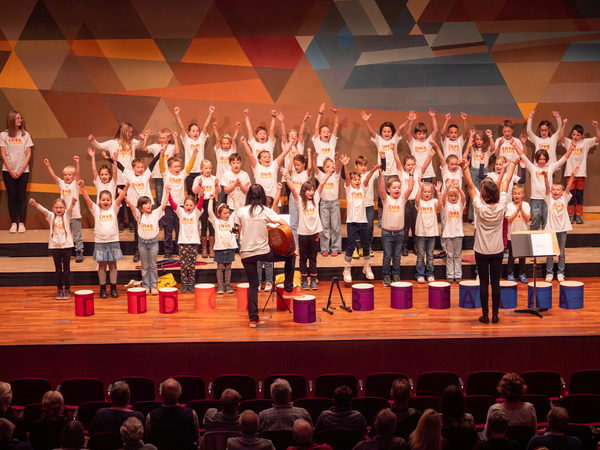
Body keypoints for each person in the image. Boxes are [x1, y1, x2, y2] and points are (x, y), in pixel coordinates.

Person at [460, 155, 519, 324]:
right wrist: (513, 165)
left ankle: (485, 315)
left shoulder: (479, 207)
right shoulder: (501, 206)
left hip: (481, 251)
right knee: (496, 283)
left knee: (484, 284)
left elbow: (470, 185)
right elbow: (506, 182)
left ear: (484, 195)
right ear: (496, 195)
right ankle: (495, 315)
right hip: (497, 251)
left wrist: (465, 168)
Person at [235, 186, 304, 327]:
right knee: (291, 256)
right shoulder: (265, 210)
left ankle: (253, 319)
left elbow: (240, 232)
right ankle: (288, 289)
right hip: (263, 251)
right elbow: (284, 224)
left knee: (253, 285)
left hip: (246, 254)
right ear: (262, 196)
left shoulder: (241, 211)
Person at [104, 149, 163, 263]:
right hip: (135, 206)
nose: (141, 169)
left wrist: (160, 153)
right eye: (138, 167)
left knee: (148, 226)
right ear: (133, 169)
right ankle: (137, 251)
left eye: (142, 167)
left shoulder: (146, 174)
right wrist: (110, 159)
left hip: (147, 206)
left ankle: (150, 248)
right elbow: (120, 166)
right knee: (137, 229)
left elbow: (153, 163)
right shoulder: (129, 175)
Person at [89, 122, 148, 231]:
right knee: (119, 201)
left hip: (130, 178)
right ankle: (121, 221)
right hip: (118, 178)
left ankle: (132, 221)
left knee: (131, 200)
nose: (131, 134)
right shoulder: (112, 143)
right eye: (130, 132)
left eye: (132, 132)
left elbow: (140, 145)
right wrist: (93, 140)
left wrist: (141, 140)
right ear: (124, 131)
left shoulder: (132, 142)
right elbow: (99, 145)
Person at [283, 165, 333, 290]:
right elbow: (292, 188)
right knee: (303, 258)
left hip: (314, 233)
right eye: (309, 190)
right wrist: (285, 176)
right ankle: (304, 279)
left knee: (313, 258)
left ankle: (313, 279)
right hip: (303, 234)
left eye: (312, 190)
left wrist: (329, 173)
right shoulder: (300, 201)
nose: (311, 192)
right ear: (304, 192)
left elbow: (322, 184)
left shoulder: (316, 199)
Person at [361, 111, 412, 228]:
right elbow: (371, 132)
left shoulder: (395, 139)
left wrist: (409, 121)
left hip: (394, 173)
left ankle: (393, 216)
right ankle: (380, 218)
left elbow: (400, 128)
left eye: (389, 131)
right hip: (382, 173)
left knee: (394, 196)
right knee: (381, 196)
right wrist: (367, 122)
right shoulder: (379, 140)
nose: (387, 133)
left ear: (392, 132)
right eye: (384, 131)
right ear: (381, 133)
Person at [79, 180, 129, 299]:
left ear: (111, 201)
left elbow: (121, 197)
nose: (105, 202)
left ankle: (113, 288)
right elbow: (87, 198)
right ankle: (102, 289)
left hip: (113, 241)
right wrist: (83, 187)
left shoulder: (114, 208)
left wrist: (126, 188)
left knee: (113, 265)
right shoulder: (95, 210)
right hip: (100, 242)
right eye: (103, 200)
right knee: (102, 266)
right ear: (99, 201)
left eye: (108, 200)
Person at [515, 133, 572, 231]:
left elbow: (563, 159)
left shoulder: (550, 167)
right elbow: (523, 156)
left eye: (544, 159)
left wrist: (571, 149)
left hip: (548, 199)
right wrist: (514, 145)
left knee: (547, 221)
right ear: (536, 159)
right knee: (535, 221)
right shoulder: (532, 167)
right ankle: (533, 239)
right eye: (540, 159)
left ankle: (547, 239)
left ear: (547, 160)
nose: (542, 161)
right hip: (535, 199)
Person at [123, 187, 170, 294]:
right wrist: (124, 195)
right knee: (145, 265)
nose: (149, 205)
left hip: (153, 243)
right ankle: (145, 285)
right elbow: (131, 204)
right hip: (142, 244)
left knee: (153, 265)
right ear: (141, 206)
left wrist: (167, 192)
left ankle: (154, 285)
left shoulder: (155, 213)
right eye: (146, 203)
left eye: (149, 203)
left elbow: (163, 204)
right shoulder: (139, 215)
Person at [340, 154, 380, 283]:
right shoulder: (348, 190)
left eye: (358, 179)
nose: (357, 181)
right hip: (352, 223)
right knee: (351, 245)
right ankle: (347, 269)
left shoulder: (363, 188)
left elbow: (367, 178)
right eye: (354, 179)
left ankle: (367, 266)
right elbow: (347, 177)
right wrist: (345, 165)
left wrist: (373, 170)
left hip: (363, 222)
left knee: (366, 245)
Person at [29, 197, 77, 299]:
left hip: (66, 246)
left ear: (64, 208)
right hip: (55, 247)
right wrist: (35, 204)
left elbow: (70, 209)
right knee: (58, 270)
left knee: (66, 270)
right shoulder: (51, 216)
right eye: (56, 207)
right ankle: (59, 290)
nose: (58, 209)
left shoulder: (67, 215)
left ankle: (67, 289)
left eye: (61, 207)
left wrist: (73, 203)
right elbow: (43, 210)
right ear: (53, 208)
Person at [378, 162, 414, 286]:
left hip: (399, 233)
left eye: (399, 187)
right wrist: (382, 177)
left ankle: (396, 274)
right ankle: (386, 275)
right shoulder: (386, 199)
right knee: (387, 256)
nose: (397, 189)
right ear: (389, 190)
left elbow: (410, 188)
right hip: (387, 233)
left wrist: (411, 174)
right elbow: (381, 190)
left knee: (397, 256)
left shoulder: (402, 199)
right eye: (394, 188)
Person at [159, 147, 199, 259]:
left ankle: (178, 249)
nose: (178, 168)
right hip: (167, 206)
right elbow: (161, 165)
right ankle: (168, 251)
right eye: (175, 166)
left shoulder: (182, 175)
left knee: (178, 229)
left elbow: (189, 166)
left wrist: (194, 155)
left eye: (179, 166)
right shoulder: (166, 175)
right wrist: (161, 155)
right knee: (168, 230)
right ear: (169, 168)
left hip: (180, 206)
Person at [558, 118, 600, 224]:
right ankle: (570, 215)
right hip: (570, 173)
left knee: (579, 196)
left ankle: (579, 215)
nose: (575, 136)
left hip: (581, 174)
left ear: (581, 135)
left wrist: (596, 127)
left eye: (577, 135)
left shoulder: (585, 142)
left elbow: (598, 138)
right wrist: (564, 125)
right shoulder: (569, 142)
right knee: (570, 195)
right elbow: (561, 137)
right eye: (573, 134)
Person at [43, 156, 84, 263]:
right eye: (65, 175)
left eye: (69, 175)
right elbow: (54, 176)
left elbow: (78, 174)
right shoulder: (62, 184)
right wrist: (48, 165)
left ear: (73, 176)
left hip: (74, 215)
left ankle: (79, 252)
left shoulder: (75, 184)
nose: (67, 176)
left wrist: (77, 163)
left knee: (77, 235)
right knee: (65, 234)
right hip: (64, 216)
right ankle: (66, 252)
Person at [544, 166, 579, 283]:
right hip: (551, 230)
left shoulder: (564, 199)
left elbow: (568, 187)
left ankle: (560, 273)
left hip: (562, 229)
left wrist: (572, 175)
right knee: (550, 252)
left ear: (562, 192)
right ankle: (549, 273)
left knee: (561, 252)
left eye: (558, 189)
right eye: (554, 189)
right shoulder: (549, 199)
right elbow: (547, 187)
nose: (555, 191)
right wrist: (545, 177)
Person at [1, 110, 33, 234]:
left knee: (21, 197)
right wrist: (10, 170)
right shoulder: (3, 135)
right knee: (11, 197)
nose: (20, 120)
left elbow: (28, 154)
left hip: (23, 171)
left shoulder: (25, 135)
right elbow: (3, 154)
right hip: (7, 171)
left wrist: (21, 169)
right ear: (11, 120)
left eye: (21, 118)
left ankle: (22, 224)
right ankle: (14, 223)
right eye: (18, 118)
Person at [146, 378, 199, 450]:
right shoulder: (192, 414)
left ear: (162, 394)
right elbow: (196, 438)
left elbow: (147, 440)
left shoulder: (151, 417)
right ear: (179, 393)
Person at [173, 105, 214, 196]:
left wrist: (210, 113)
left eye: (197, 131)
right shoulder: (186, 141)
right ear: (189, 132)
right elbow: (182, 127)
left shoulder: (201, 140)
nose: (195, 133)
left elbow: (205, 126)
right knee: (190, 195)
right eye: (193, 131)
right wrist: (177, 114)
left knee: (201, 195)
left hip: (200, 172)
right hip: (189, 173)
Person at [483, 373, 537, 439]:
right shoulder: (529, 408)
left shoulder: (494, 409)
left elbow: (487, 434)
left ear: (502, 390)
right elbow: (534, 432)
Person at [172, 188, 205, 293]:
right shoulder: (181, 212)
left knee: (191, 266)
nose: (189, 207)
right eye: (187, 205)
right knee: (183, 266)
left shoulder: (196, 213)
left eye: (191, 205)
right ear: (183, 205)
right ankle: (184, 284)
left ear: (194, 206)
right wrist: (168, 193)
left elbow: (200, 203)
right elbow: (172, 203)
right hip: (183, 243)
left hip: (193, 243)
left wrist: (202, 194)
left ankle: (191, 283)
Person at [138, 127, 178, 206]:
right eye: (160, 138)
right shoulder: (156, 146)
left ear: (169, 138)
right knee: (159, 198)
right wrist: (146, 137)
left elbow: (177, 151)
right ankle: (160, 212)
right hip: (158, 175)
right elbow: (143, 148)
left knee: (169, 196)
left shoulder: (171, 147)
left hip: (168, 176)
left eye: (163, 138)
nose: (161, 140)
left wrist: (175, 139)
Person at [313, 152, 342, 257]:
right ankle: (325, 248)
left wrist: (336, 159)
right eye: (327, 166)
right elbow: (315, 168)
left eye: (331, 166)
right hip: (324, 204)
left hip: (334, 204)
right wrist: (314, 159)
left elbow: (337, 168)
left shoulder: (336, 175)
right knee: (325, 226)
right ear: (324, 168)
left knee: (335, 226)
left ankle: (335, 247)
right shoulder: (321, 175)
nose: (330, 168)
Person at [415, 177, 442, 284]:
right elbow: (416, 200)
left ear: (431, 193)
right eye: (425, 191)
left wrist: (438, 192)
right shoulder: (420, 202)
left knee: (430, 255)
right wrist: (419, 187)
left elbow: (440, 204)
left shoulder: (433, 201)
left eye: (429, 192)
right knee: (420, 255)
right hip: (421, 233)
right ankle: (420, 274)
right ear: (422, 193)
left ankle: (430, 274)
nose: (427, 194)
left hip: (432, 233)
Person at [464, 128, 496, 222]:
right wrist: (471, 135)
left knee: (484, 193)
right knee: (473, 194)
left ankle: (483, 215)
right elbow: (468, 147)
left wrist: (490, 136)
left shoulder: (487, 150)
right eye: (477, 139)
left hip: (484, 171)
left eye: (481, 139)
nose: (478, 141)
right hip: (474, 171)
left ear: (484, 140)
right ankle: (473, 217)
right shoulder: (473, 149)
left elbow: (493, 147)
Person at [208, 195, 237, 294]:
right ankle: (220, 285)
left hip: (230, 248)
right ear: (219, 214)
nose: (227, 215)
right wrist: (211, 200)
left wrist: (234, 199)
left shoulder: (231, 220)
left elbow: (237, 210)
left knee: (228, 268)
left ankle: (228, 284)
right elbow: (210, 212)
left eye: (228, 212)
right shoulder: (216, 222)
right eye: (224, 213)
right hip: (220, 248)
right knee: (220, 269)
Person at [192, 159, 221, 258]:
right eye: (206, 168)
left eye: (210, 168)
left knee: (212, 225)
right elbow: (194, 191)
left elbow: (218, 191)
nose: (208, 170)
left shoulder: (214, 178)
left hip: (212, 202)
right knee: (204, 225)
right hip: (202, 203)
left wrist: (216, 185)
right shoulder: (198, 178)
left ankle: (211, 248)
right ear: (201, 169)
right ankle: (204, 248)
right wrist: (199, 185)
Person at [286, 152, 312, 252]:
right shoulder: (292, 173)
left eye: (298, 165)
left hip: (303, 198)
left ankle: (304, 247)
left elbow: (309, 167)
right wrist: (292, 157)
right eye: (295, 165)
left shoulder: (305, 173)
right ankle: (296, 247)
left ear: (303, 164)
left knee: (304, 222)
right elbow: (289, 169)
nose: (296, 167)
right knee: (294, 223)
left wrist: (309, 153)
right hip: (293, 198)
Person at [505, 184, 530, 284]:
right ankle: (510, 273)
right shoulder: (509, 206)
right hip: (512, 236)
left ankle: (522, 274)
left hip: (523, 235)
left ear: (523, 195)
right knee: (512, 256)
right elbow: (509, 219)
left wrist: (521, 210)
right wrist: (517, 210)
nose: (517, 195)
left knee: (522, 256)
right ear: (512, 195)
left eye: (519, 193)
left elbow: (527, 219)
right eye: (515, 194)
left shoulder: (526, 205)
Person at [406, 109, 439, 183]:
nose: (421, 135)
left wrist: (433, 117)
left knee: (427, 190)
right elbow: (408, 133)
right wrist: (412, 120)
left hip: (427, 174)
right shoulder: (412, 142)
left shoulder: (429, 141)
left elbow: (436, 131)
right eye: (419, 133)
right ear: (415, 134)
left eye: (423, 133)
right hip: (415, 172)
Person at [313, 103, 339, 171]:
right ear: (319, 134)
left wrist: (336, 113)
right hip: (320, 167)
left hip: (331, 168)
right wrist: (320, 113)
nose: (326, 133)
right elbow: (316, 127)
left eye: (328, 132)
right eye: (324, 132)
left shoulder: (332, 143)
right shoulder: (317, 142)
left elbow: (336, 126)